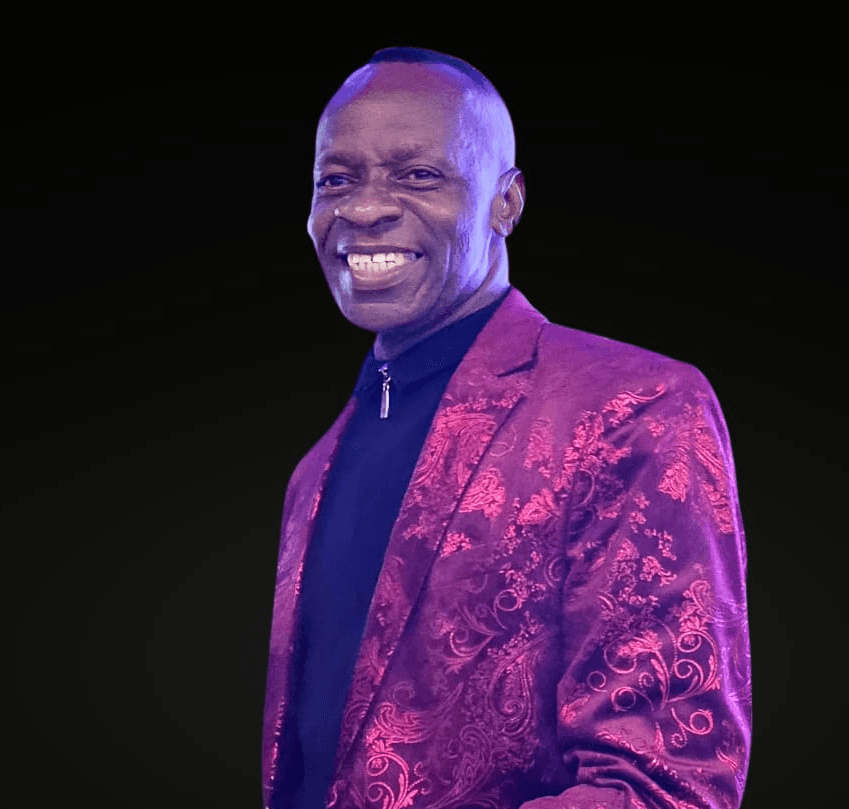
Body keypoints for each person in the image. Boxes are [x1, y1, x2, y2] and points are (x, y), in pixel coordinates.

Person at [262, 47, 751, 809]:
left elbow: (662, 783)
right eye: (336, 179)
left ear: (506, 202)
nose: (362, 209)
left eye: (417, 174)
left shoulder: (633, 408)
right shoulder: (313, 470)